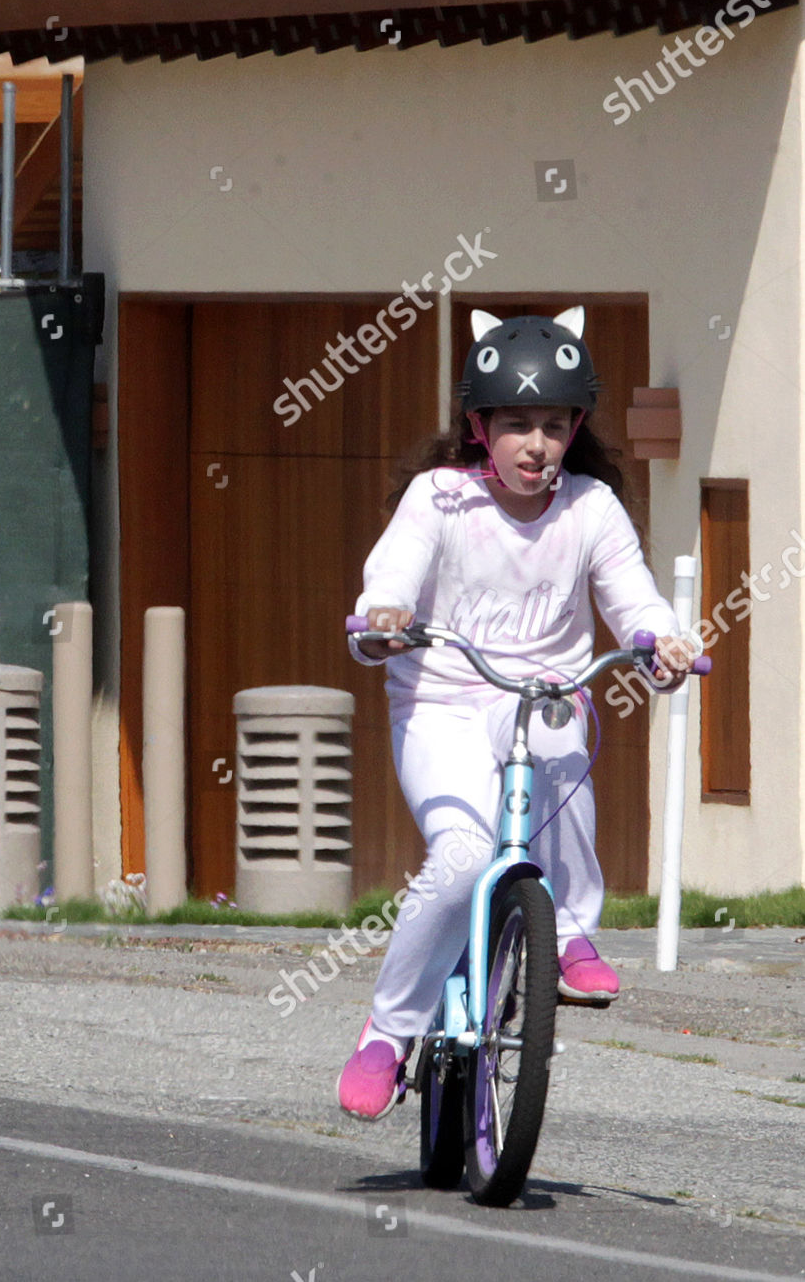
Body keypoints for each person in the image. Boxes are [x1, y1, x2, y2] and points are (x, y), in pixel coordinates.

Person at [336, 306, 693, 1121]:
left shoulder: (591, 508)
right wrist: (385, 618)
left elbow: (633, 598)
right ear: (478, 427)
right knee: (462, 856)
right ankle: (386, 1037)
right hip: (444, 703)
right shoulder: (440, 501)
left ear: (576, 430)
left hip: (541, 698)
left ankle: (567, 930)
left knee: (564, 730)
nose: (538, 443)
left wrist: (661, 643)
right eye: (518, 424)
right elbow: (387, 582)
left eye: (556, 424)